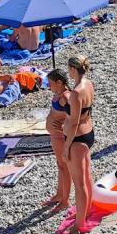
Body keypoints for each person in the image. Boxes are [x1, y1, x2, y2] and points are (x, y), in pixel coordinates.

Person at [64, 55, 95, 234]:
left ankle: (79, 224)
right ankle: (87, 211)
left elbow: (74, 123)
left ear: (73, 69)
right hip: (88, 132)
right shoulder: (89, 84)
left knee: (79, 182)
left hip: (77, 138)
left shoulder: (76, 93)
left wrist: (66, 146)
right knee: (87, 176)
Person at [44, 69, 73, 210]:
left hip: (60, 136)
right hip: (55, 135)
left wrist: (63, 125)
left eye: (51, 83)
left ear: (59, 82)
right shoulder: (58, 94)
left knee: (64, 166)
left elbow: (74, 117)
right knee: (60, 165)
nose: (49, 86)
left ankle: (65, 200)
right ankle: (60, 194)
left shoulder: (66, 97)